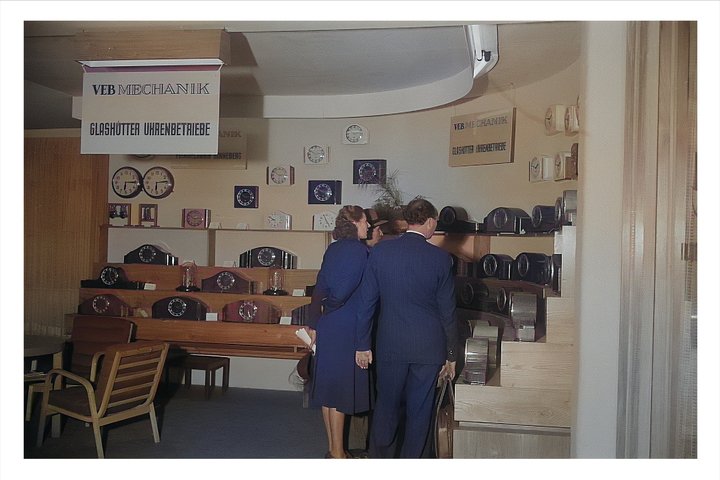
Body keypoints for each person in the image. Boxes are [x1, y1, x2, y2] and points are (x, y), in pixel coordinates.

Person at [355, 198, 458, 458]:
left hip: (390, 345)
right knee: (420, 411)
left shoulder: (381, 252)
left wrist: (362, 344)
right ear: (431, 222)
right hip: (428, 348)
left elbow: (366, 302)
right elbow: (448, 312)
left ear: (407, 220)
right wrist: (452, 355)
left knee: (386, 408)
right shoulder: (441, 259)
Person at [303, 205, 371, 459]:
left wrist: (315, 320)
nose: (369, 226)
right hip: (345, 326)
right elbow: (341, 292)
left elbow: (319, 287)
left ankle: (335, 450)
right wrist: (330, 308)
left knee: (329, 392)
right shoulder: (359, 251)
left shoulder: (333, 249)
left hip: (329, 326)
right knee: (340, 391)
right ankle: (338, 454)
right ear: (354, 222)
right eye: (365, 221)